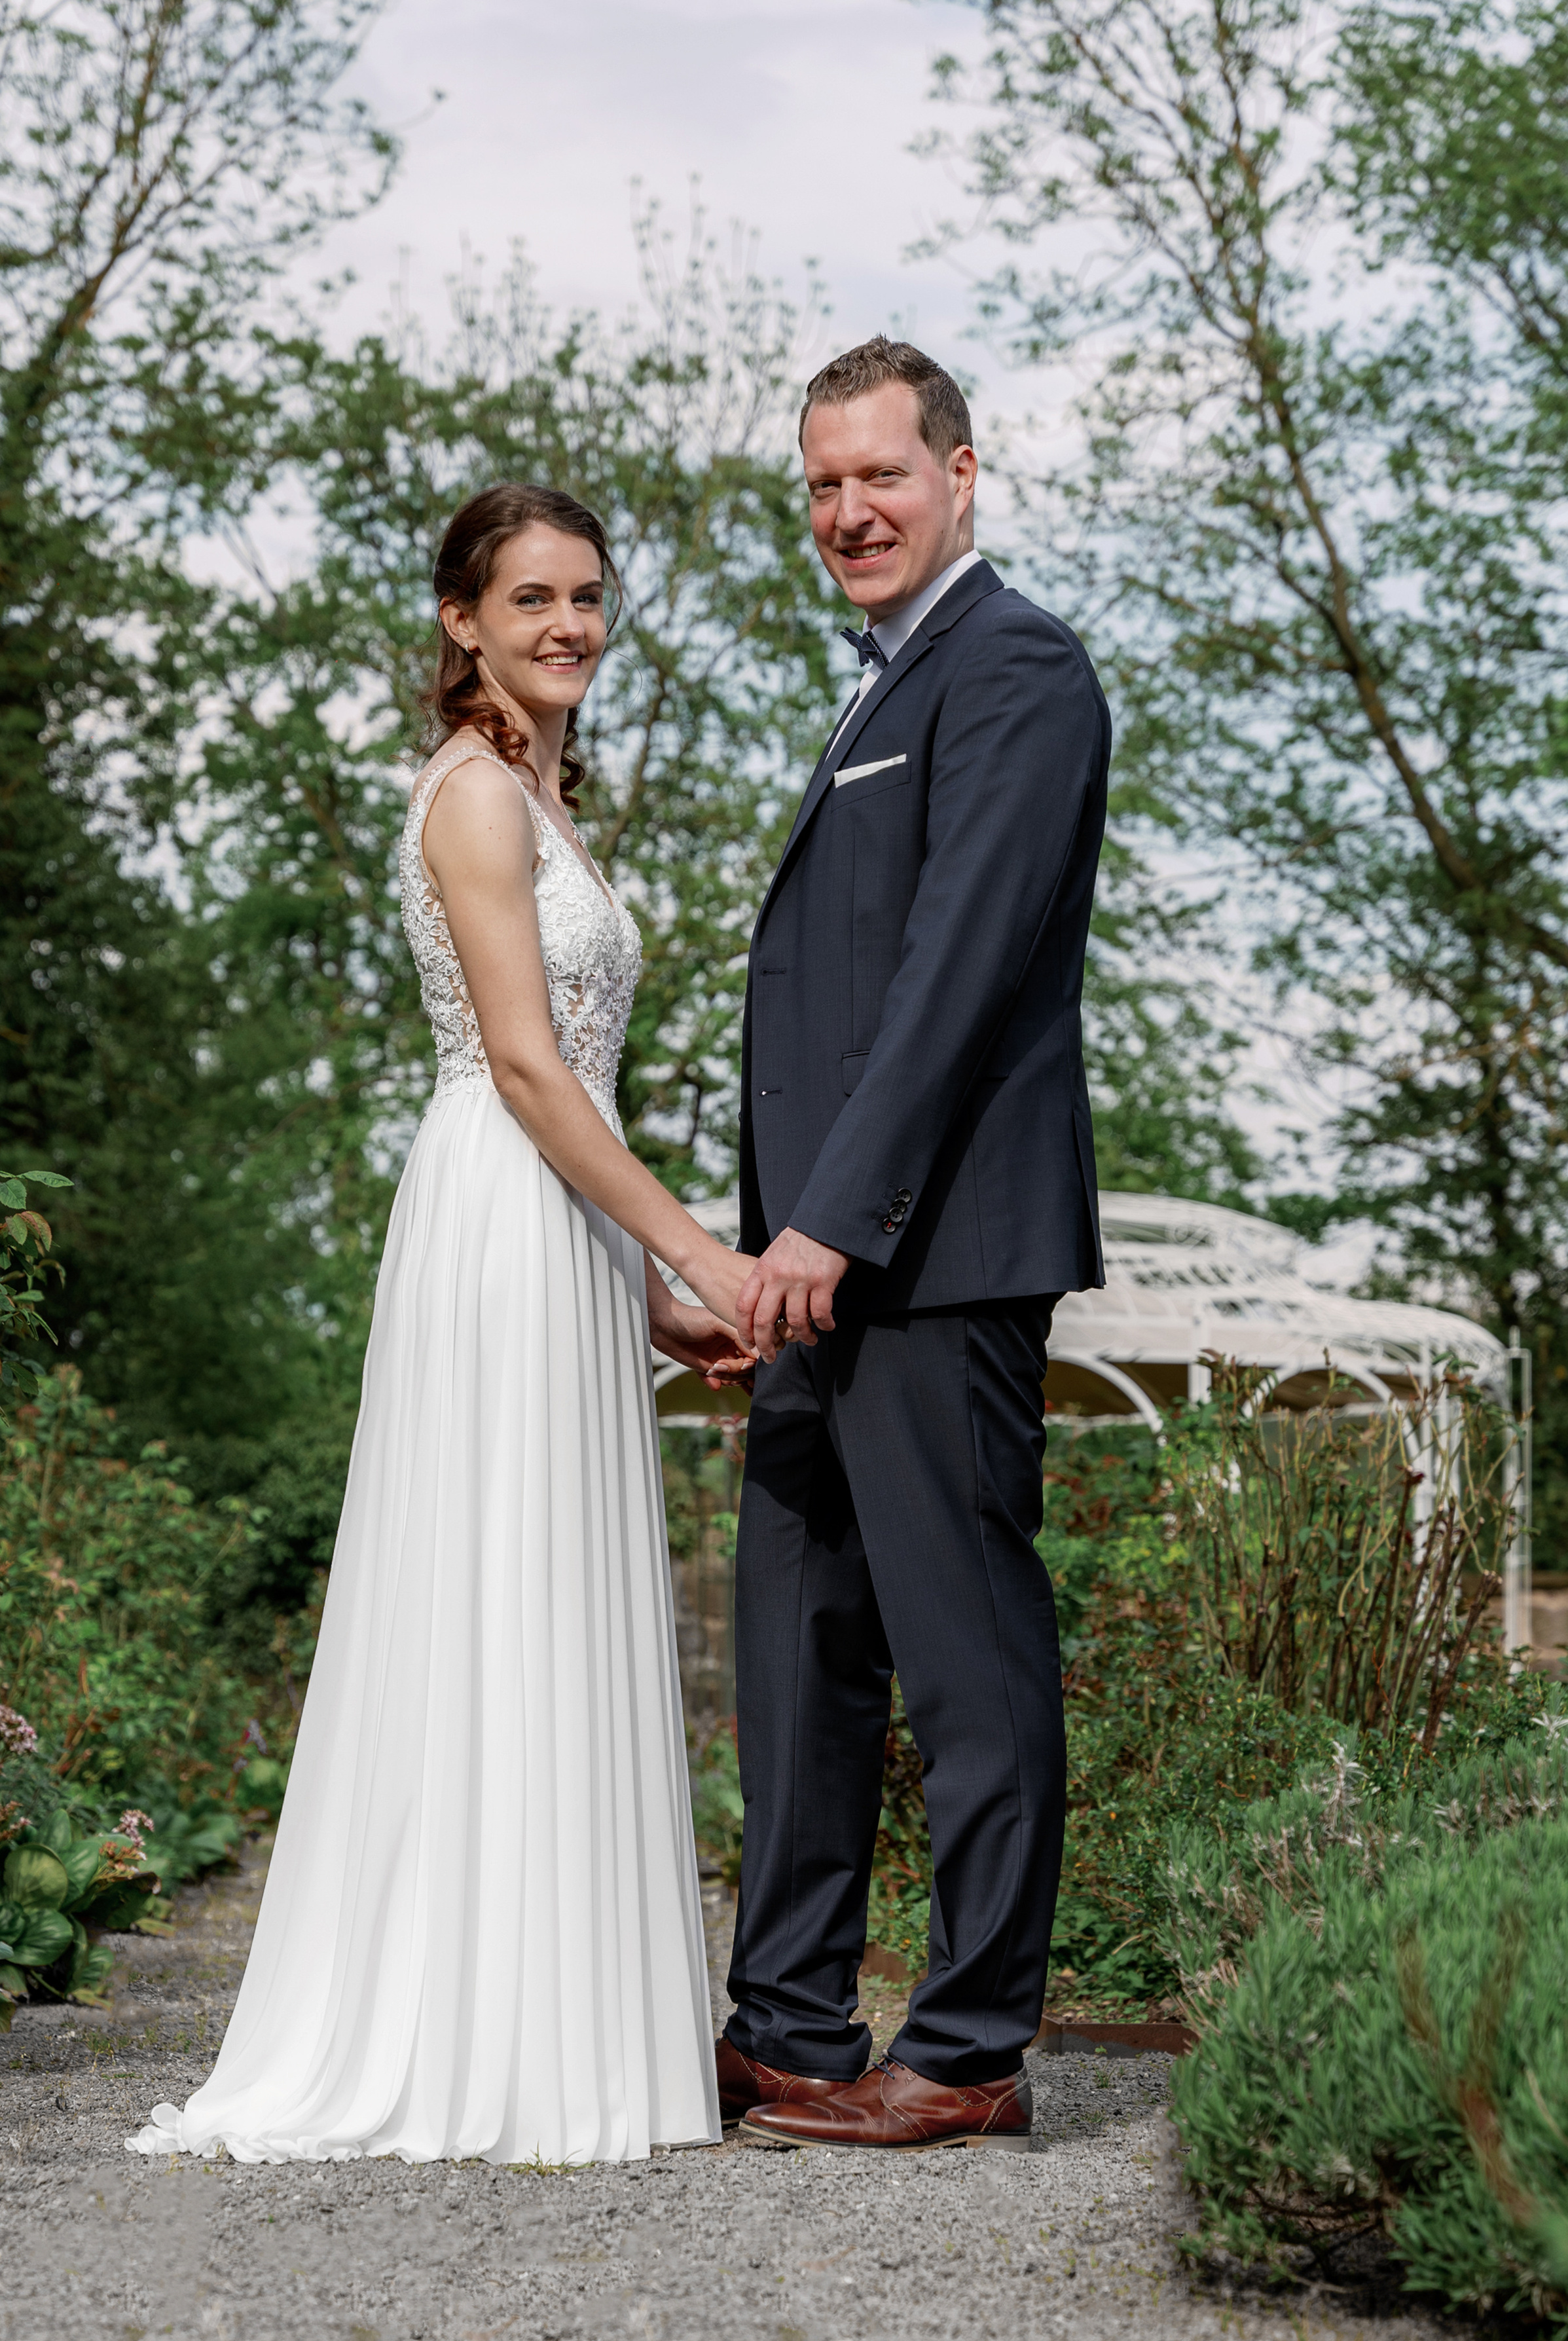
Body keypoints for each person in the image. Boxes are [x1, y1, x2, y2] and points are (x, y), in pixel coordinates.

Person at [128, 483, 757, 2167]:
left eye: (588, 598)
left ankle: (562, 2037)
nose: (568, 625)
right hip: (496, 1210)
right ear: (459, 622)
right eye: (532, 597)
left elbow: (566, 1090)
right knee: (491, 1582)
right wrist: (699, 1251)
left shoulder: (546, 802)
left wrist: (641, 1299)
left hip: (557, 1228)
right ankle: (474, 2035)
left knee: (546, 1583)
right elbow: (529, 1070)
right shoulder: (475, 799)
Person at [718, 337, 1110, 2154]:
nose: (849, 512)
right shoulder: (883, 685)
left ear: (964, 471)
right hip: (809, 1273)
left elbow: (951, 983)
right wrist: (755, 1262)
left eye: (881, 474)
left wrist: (826, 1231)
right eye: (821, 485)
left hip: (930, 1258)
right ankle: (787, 2025)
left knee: (964, 1659)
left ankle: (967, 2052)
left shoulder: (1016, 667)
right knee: (798, 1647)